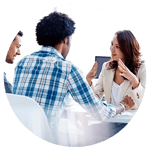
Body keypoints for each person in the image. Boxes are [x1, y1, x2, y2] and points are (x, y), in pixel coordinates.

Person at [13, 12, 135, 136]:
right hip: (49, 137)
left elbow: (35, 106)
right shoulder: (67, 69)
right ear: (65, 40)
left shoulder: (21, 64)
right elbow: (100, 113)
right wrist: (123, 105)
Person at [86, 30, 147, 110]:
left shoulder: (142, 68)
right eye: (112, 45)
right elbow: (96, 99)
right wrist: (89, 81)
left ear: (127, 49)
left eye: (117, 46)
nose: (111, 49)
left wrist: (133, 79)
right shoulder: (106, 67)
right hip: (110, 119)